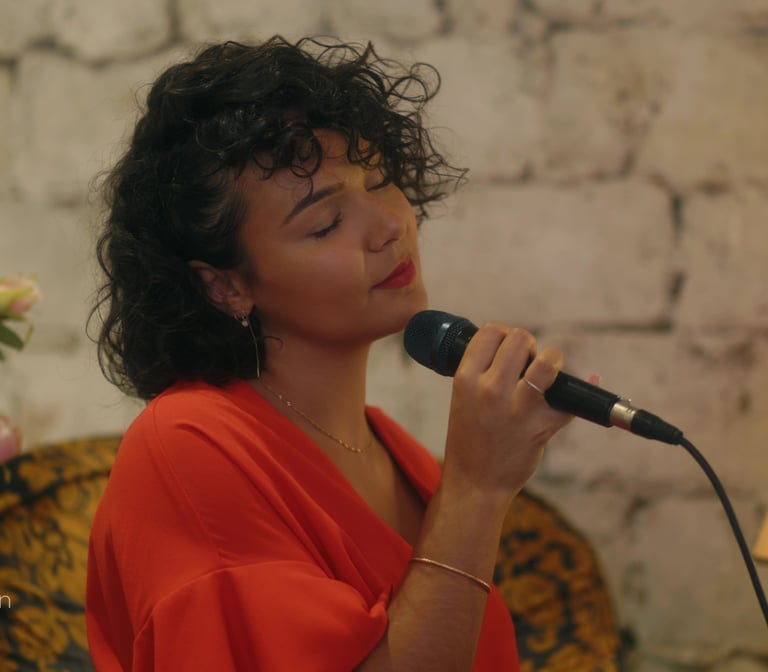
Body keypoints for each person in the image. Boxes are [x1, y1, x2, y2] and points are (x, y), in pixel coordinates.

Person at [86, 35, 572, 671]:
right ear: (226, 285)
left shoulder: (393, 449)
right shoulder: (186, 448)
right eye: (324, 223)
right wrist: (478, 489)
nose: (387, 226)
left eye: (380, 181)